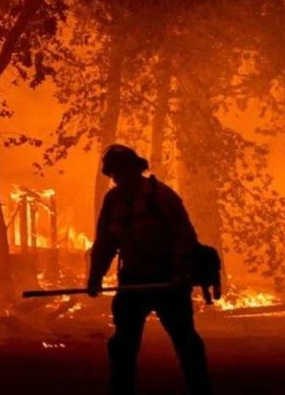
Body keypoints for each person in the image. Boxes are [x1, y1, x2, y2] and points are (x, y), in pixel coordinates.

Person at [88, 144, 212, 395]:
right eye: (114, 172)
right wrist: (95, 276)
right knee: (123, 342)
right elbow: (104, 243)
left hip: (168, 281)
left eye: (122, 170)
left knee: (184, 338)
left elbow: (184, 237)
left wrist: (180, 273)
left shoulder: (162, 196)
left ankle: (200, 388)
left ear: (136, 168)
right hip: (133, 280)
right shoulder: (113, 201)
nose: (119, 177)